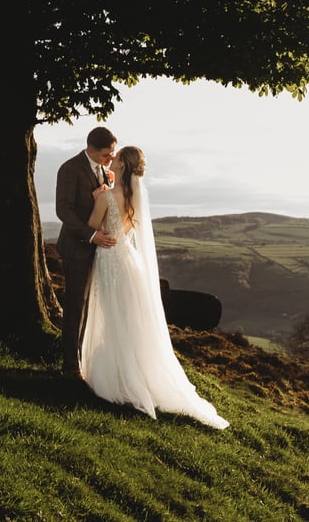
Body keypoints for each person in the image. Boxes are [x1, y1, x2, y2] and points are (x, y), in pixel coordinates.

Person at [81, 146, 229, 429]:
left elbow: (91, 226)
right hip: (130, 262)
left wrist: (97, 196)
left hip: (110, 261)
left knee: (112, 318)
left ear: (121, 165)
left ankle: (118, 377)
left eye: (117, 157)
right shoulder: (135, 198)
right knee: (129, 321)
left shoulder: (107, 197)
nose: (113, 160)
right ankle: (134, 372)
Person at [55, 126, 117, 381]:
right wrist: (91, 235)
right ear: (91, 150)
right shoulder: (70, 169)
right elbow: (63, 210)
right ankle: (71, 365)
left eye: (112, 153)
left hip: (100, 251)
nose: (111, 158)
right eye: (106, 154)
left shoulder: (104, 170)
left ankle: (88, 358)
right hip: (77, 247)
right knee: (75, 306)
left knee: (93, 305)